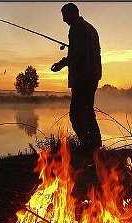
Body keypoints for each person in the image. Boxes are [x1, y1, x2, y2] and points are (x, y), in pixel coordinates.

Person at [51, 3, 102, 156]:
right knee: (88, 111)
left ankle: (86, 146)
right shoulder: (90, 28)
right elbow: (85, 50)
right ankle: (96, 145)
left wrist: (61, 63)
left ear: (72, 13)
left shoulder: (76, 27)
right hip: (93, 76)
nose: (63, 19)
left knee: (75, 114)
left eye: (64, 15)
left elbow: (79, 53)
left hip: (82, 78)